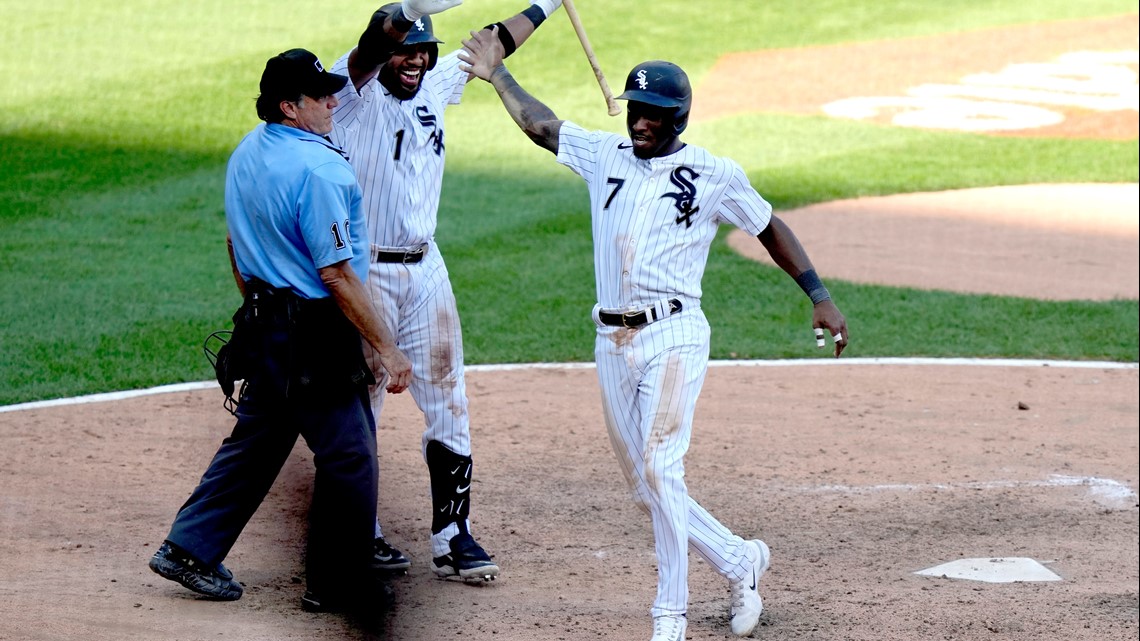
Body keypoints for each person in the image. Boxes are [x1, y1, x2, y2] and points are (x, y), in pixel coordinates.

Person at [459, 32, 849, 641]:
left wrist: (819, 295)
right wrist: (497, 75)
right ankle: (738, 559)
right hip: (610, 340)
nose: (640, 122)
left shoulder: (714, 174)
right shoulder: (604, 154)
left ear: (678, 118)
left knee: (662, 469)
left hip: (674, 334)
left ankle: (670, 618)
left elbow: (769, 226)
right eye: (635, 111)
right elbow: (543, 127)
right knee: (645, 486)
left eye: (652, 115)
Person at [147, 4, 459, 612]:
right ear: (290, 106)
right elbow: (338, 275)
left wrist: (264, 313)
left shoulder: (248, 153)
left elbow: (235, 248)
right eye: (319, 97)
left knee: (258, 441)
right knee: (349, 456)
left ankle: (189, 548)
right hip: (316, 334)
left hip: (264, 325)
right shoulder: (321, 168)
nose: (333, 103)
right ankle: (335, 582)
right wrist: (386, 348)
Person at [325, 0, 564, 582]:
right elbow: (368, 46)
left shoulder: (433, 86)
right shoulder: (350, 97)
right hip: (367, 273)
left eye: (422, 50)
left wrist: (550, 1)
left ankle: (452, 536)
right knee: (364, 407)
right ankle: (362, 533)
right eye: (405, 50)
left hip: (426, 268)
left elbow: (494, 42)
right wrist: (405, 11)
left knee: (449, 401)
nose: (413, 60)